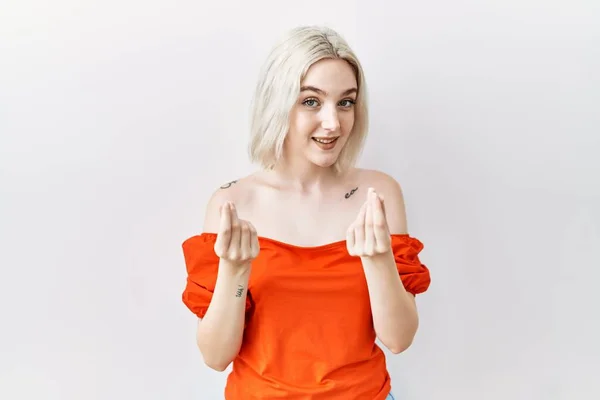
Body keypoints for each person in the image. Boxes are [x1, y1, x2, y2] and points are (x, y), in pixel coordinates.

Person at [181, 25, 431, 400]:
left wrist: (378, 260)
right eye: (311, 101)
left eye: (345, 102)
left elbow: (398, 339)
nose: (333, 123)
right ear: (278, 103)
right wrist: (235, 272)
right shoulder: (232, 204)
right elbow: (216, 357)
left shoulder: (378, 195)